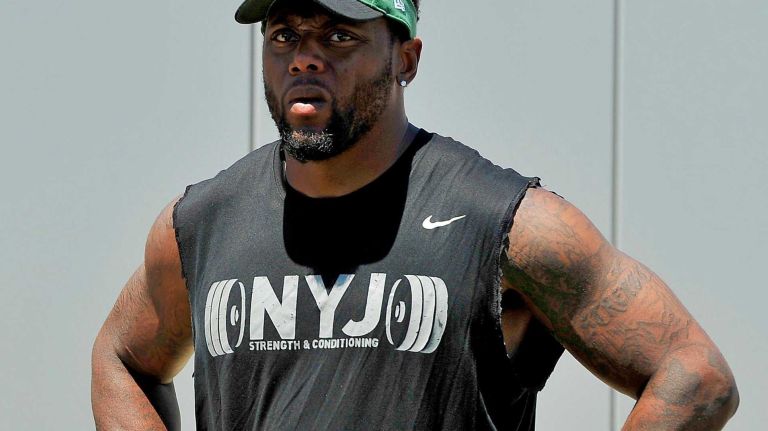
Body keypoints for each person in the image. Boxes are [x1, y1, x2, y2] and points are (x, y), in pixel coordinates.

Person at [91, 0, 739, 429]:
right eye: (284, 34)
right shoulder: (201, 225)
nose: (304, 57)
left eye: (338, 34)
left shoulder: (504, 224)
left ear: (406, 58)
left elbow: (696, 375)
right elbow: (121, 356)